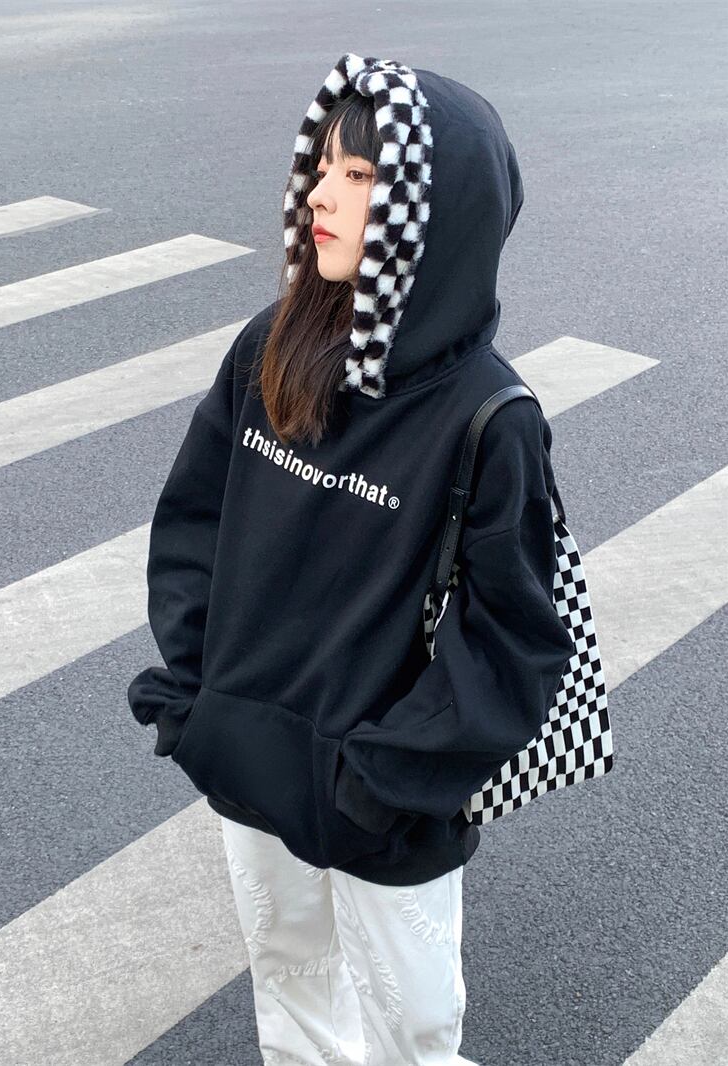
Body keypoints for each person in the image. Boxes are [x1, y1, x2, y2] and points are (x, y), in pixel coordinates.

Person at [128, 52, 576, 1066]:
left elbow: (511, 643)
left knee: (412, 1029)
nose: (320, 195)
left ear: (435, 208)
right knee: (290, 990)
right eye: (322, 165)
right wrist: (199, 699)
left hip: (386, 804)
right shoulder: (269, 349)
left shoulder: (488, 417)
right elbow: (194, 525)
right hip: (248, 760)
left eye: (361, 174)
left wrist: (382, 780)